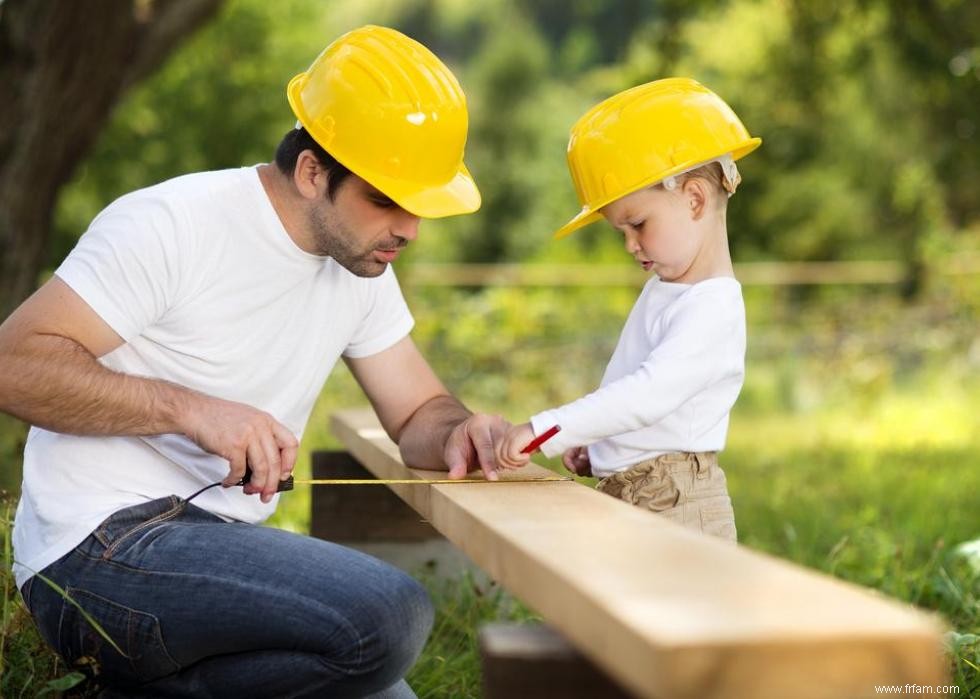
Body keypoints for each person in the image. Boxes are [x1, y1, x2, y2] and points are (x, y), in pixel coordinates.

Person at [0, 25, 510, 698]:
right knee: (391, 612)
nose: (410, 229)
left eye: (422, 207)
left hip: (218, 552)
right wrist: (189, 410)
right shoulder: (172, 223)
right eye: (387, 199)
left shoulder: (362, 267)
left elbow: (418, 410)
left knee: (387, 686)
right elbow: (12, 362)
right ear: (312, 172)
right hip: (97, 550)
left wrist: (460, 431)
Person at [496, 78, 761, 543]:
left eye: (637, 224)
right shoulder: (667, 289)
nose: (630, 245)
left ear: (695, 199)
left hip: (677, 503)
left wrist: (545, 432)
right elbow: (638, 403)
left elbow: (647, 395)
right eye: (621, 230)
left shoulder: (712, 307)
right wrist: (601, 449)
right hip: (638, 492)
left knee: (677, 616)